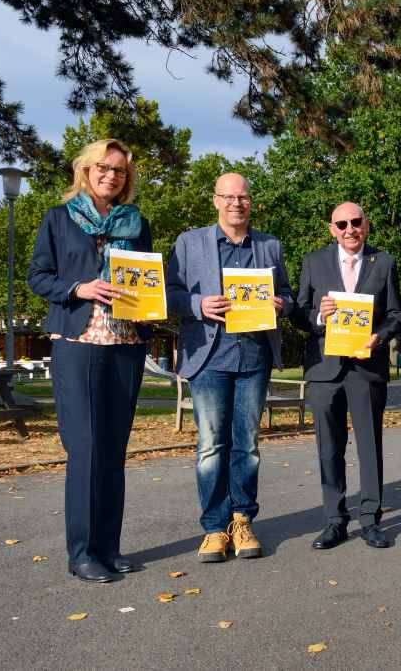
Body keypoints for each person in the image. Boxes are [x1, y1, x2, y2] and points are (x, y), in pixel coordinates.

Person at [27, 138, 151, 582]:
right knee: (85, 449)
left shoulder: (136, 223)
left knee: (113, 451)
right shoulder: (59, 219)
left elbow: (148, 278)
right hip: (77, 341)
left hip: (125, 343)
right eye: (103, 167)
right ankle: (81, 552)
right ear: (86, 169)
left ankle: (108, 548)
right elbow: (38, 276)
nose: (111, 175)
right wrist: (79, 288)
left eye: (119, 171)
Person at [166, 173, 294, 563]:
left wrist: (281, 305)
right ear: (215, 200)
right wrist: (198, 305)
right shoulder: (190, 243)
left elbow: (286, 293)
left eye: (243, 197)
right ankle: (213, 528)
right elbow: (168, 293)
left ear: (250, 202)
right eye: (229, 196)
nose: (237, 203)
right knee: (210, 447)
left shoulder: (269, 245)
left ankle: (242, 520)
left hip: (254, 358)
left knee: (247, 446)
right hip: (209, 358)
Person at [294, 201, 401, 550]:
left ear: (366, 225)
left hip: (365, 367)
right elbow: (298, 313)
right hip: (325, 369)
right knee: (329, 448)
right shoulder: (313, 262)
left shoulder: (383, 262)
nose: (350, 229)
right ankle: (334, 520)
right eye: (342, 224)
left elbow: (395, 314)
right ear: (332, 229)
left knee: (370, 445)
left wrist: (381, 336)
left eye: (356, 222)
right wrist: (319, 315)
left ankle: (370, 519)